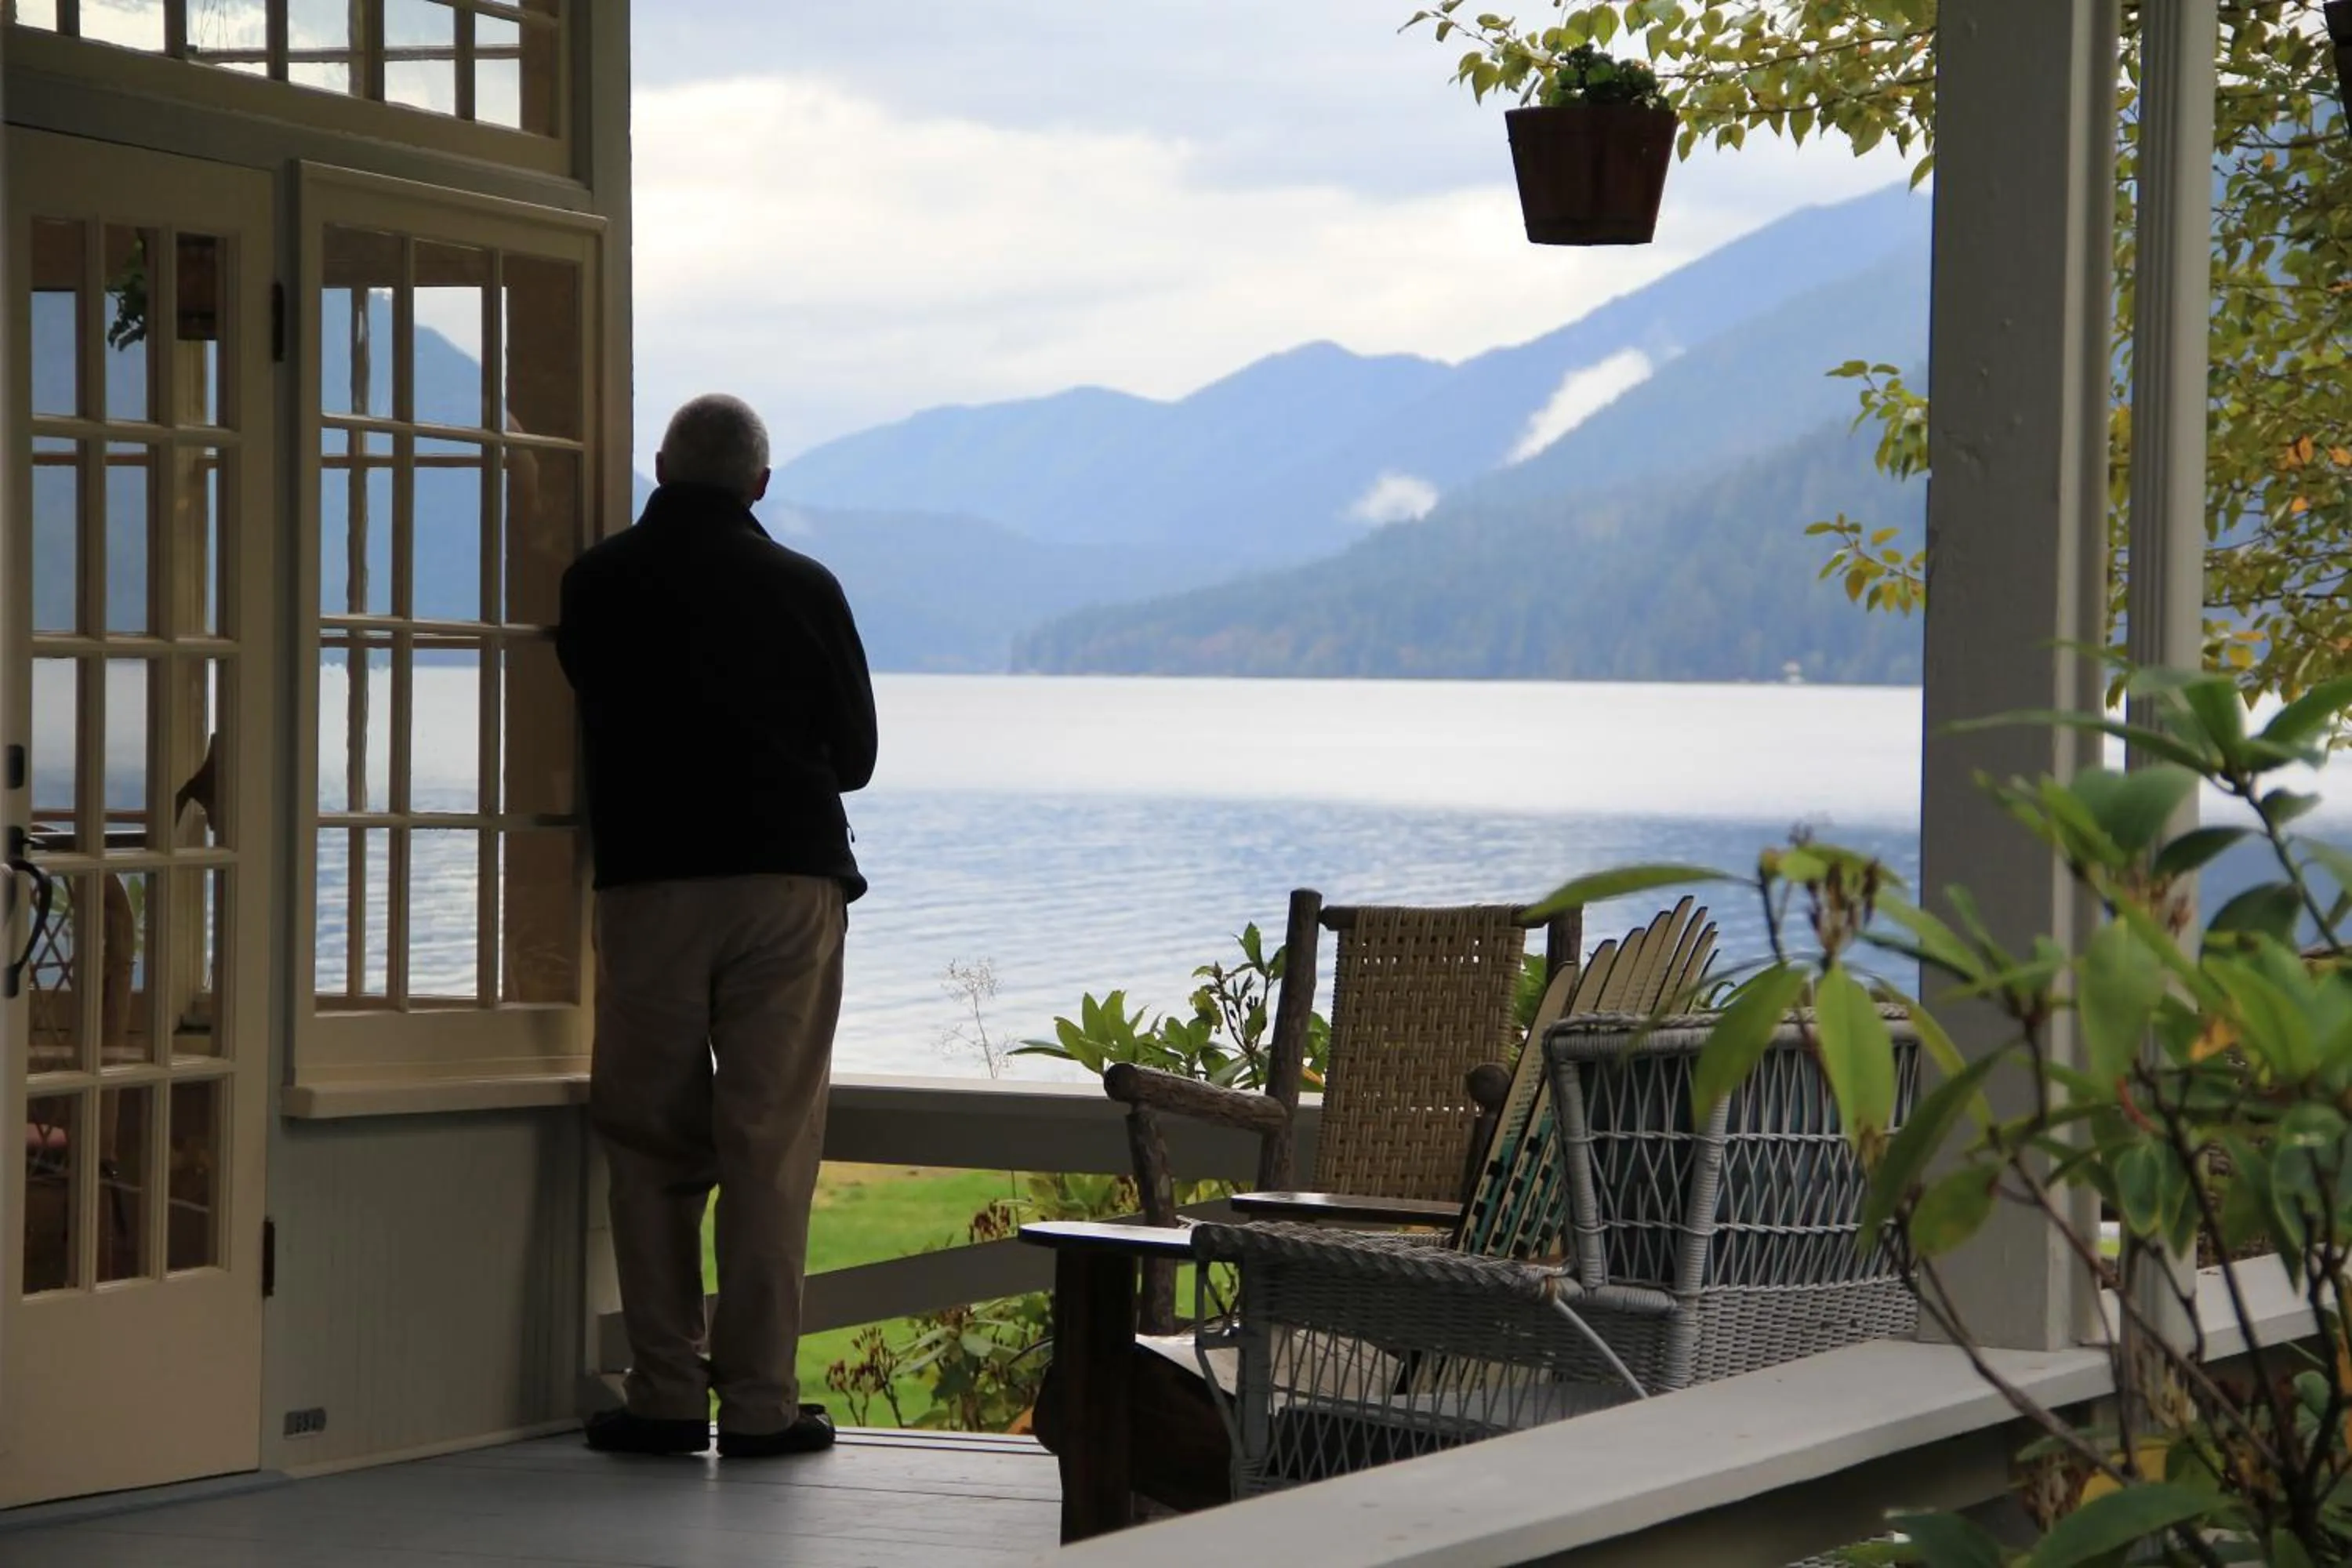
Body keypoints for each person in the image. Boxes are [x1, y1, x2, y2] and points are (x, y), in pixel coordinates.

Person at [557, 394, 877, 1458]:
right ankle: (758, 1407)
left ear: (658, 466)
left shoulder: (597, 583)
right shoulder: (805, 588)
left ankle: (661, 1395)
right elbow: (860, 759)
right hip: (787, 885)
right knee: (768, 1143)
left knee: (650, 1141)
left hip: (648, 886)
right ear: (761, 485)